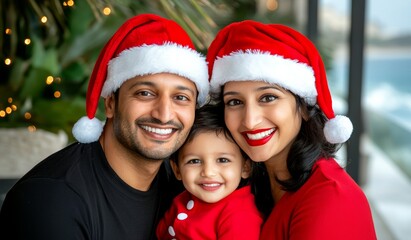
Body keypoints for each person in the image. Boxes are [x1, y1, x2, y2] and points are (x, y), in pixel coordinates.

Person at [0, 13, 209, 240]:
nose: (164, 114)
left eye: (181, 97)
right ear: (110, 103)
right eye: (145, 93)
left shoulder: (187, 183)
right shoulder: (52, 200)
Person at [206, 20, 377, 239]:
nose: (249, 121)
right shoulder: (245, 184)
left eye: (268, 98)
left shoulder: (329, 198)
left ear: (305, 108)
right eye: (234, 102)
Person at [156, 104, 263, 240]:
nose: (208, 172)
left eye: (223, 160)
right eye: (194, 161)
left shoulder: (240, 214)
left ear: (245, 167)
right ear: (177, 169)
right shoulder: (182, 199)